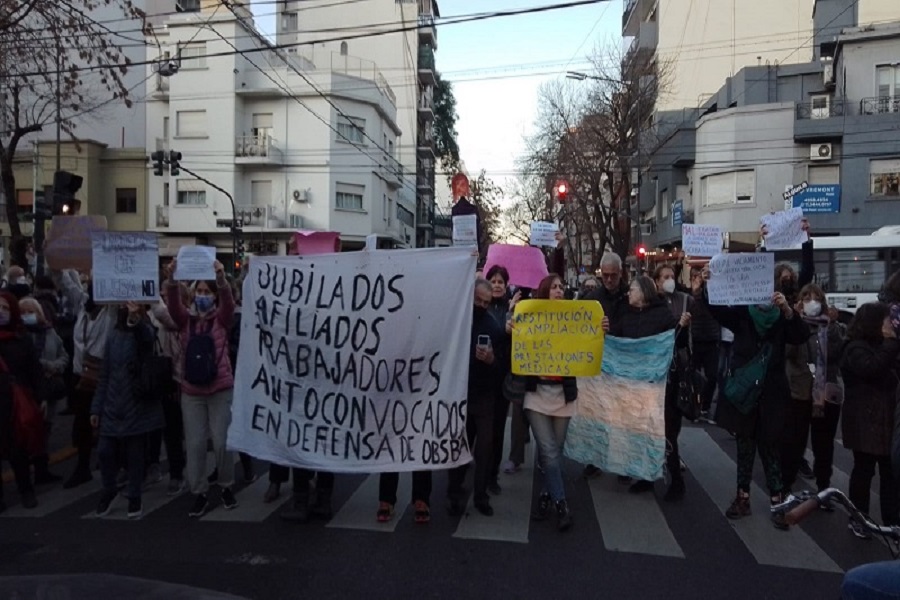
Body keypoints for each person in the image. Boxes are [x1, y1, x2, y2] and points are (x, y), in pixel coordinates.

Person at [700, 265, 810, 530]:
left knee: (771, 444)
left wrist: (788, 311)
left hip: (772, 389)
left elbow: (801, 335)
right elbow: (716, 310)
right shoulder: (742, 314)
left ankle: (777, 500)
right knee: (745, 444)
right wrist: (707, 286)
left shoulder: (782, 316)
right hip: (746, 389)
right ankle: (743, 497)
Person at [164, 259, 238, 518]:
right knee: (195, 445)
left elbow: (229, 303)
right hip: (192, 392)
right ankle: (200, 492)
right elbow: (173, 305)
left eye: (208, 292)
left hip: (220, 389)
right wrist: (172, 279)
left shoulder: (222, 319)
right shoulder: (186, 321)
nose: (203, 296)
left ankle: (226, 485)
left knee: (221, 441)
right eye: (199, 291)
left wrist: (221, 278)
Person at [611, 274, 685, 498]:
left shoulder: (662, 314)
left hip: (661, 386)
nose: (629, 293)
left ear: (644, 292)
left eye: (632, 289)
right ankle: (645, 477)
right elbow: (616, 341)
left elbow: (676, 342)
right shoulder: (626, 315)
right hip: (635, 386)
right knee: (639, 432)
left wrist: (682, 327)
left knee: (666, 434)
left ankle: (676, 482)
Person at [92, 303, 163, 519]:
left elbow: (147, 339)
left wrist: (136, 321)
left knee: (135, 455)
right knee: (104, 451)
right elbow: (105, 374)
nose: (126, 308)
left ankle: (134, 496)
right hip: (113, 403)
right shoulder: (113, 335)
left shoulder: (144, 331)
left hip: (137, 401)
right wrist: (96, 407)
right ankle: (109, 488)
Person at [840, 303, 900, 538]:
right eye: (885, 320)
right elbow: (871, 369)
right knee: (864, 471)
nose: (889, 325)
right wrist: (891, 343)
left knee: (890, 474)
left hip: (885, 417)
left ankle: (891, 520)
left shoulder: (884, 346)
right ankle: (859, 517)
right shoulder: (855, 347)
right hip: (863, 419)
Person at [782, 284, 845, 505]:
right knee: (794, 443)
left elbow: (837, 353)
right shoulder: (794, 325)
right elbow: (787, 351)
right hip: (799, 392)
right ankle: (785, 489)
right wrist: (794, 320)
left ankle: (823, 489)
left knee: (824, 445)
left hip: (825, 394)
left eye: (816, 298)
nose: (811, 301)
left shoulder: (832, 327)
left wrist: (833, 323)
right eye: (806, 297)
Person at [447, 279, 505, 517]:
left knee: (484, 448)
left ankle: (480, 495)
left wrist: (491, 360)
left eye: (486, 302)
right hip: (459, 393)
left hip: (483, 395)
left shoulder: (493, 327)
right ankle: (453, 493)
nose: (481, 305)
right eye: (478, 300)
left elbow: (502, 367)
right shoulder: (457, 320)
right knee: (460, 446)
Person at [525, 274, 576, 532]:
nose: (559, 290)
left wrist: (598, 329)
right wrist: (512, 328)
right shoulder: (530, 318)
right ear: (544, 291)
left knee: (555, 451)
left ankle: (546, 494)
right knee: (549, 452)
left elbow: (587, 346)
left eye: (561, 287)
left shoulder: (575, 319)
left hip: (563, 395)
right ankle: (561, 503)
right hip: (536, 396)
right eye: (554, 287)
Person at [0, 291, 43, 511]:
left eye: (6, 308)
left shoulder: (21, 338)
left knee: (19, 451)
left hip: (17, 403)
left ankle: (26, 490)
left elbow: (34, 370)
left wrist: (39, 396)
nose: (1, 313)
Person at [19, 297, 68, 484]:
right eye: (22, 312)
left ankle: (41, 469)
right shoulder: (18, 335)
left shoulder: (49, 333)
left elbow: (63, 355)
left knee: (45, 429)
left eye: (30, 312)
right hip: (25, 390)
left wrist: (53, 366)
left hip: (47, 388)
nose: (26, 316)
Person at [484, 265, 522, 488]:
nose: (497, 285)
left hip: (502, 379)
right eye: (493, 281)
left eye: (501, 282)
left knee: (497, 429)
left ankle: (491, 477)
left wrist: (512, 314)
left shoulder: (515, 309)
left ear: (506, 285)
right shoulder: (480, 305)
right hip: (481, 379)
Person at [688, 266, 720, 422]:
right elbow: (693, 309)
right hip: (696, 340)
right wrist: (696, 293)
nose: (698, 279)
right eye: (695, 277)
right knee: (692, 376)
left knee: (712, 376)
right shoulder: (690, 296)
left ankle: (706, 407)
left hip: (711, 339)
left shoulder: (713, 294)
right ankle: (694, 407)